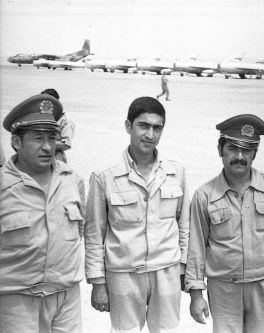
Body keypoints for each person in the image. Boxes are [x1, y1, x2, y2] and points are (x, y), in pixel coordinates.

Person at [185, 114, 264, 333]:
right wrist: (196, 295)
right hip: (224, 289)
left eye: (247, 150)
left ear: (255, 153)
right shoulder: (204, 196)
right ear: (220, 150)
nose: (239, 156)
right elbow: (196, 249)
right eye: (232, 148)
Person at [84, 97, 189, 333]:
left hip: (166, 271)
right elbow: (94, 234)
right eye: (143, 126)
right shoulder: (105, 175)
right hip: (124, 274)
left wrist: (182, 268)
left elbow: (184, 225)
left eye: (157, 128)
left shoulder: (176, 171)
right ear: (128, 126)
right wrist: (98, 282)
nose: (150, 134)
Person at [0, 94, 86, 333]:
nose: (48, 146)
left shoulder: (72, 180)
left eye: (52, 137)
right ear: (17, 141)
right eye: (38, 138)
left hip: (65, 296)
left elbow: (79, 231)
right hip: (15, 300)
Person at [40, 88, 75, 163]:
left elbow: (66, 145)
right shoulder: (40, 118)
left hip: (56, 160)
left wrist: (44, 142)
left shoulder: (66, 122)